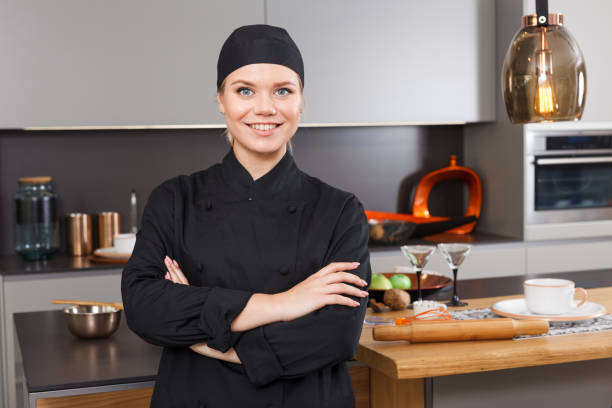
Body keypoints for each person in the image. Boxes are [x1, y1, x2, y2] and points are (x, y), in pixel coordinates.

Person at [121, 24, 371, 408]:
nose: (265, 108)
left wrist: (205, 339)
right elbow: (144, 308)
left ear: (301, 100)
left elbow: (336, 336)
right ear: (221, 99)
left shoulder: (339, 210)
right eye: (244, 90)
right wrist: (284, 304)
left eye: (283, 91)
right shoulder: (174, 199)